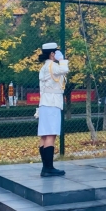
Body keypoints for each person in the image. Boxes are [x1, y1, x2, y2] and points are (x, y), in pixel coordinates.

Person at [37, 42, 69, 177]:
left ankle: (46, 167)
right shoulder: (53, 66)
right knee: (51, 135)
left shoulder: (44, 67)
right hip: (52, 103)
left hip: (44, 103)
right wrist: (62, 60)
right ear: (52, 54)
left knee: (44, 135)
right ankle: (48, 168)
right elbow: (65, 70)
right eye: (55, 52)